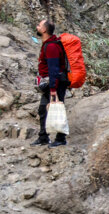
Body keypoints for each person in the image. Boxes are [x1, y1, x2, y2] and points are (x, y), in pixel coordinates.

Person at [31, 19, 69, 148]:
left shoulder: (51, 46)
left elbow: (54, 68)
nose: (37, 26)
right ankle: (43, 137)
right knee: (43, 109)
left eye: (39, 25)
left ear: (44, 30)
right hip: (52, 82)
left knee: (57, 107)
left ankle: (61, 138)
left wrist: (53, 88)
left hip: (56, 82)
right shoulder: (48, 44)